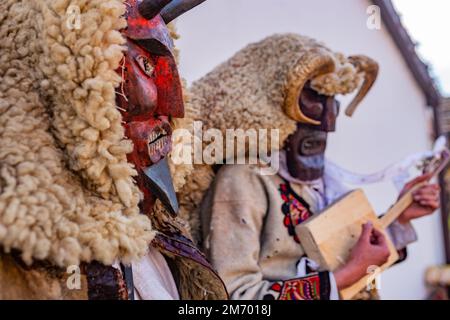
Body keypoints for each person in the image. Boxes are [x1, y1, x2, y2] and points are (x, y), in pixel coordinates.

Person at [177, 34, 440, 300]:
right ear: (274, 101)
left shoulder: (321, 182)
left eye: (333, 103)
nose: (328, 122)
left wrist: (401, 214)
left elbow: (342, 254)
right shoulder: (244, 178)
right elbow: (235, 297)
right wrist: (347, 275)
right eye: (314, 98)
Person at [0, 0, 226, 300]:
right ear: (70, 80)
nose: (174, 105)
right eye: (146, 65)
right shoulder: (25, 270)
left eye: (173, 69)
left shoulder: (162, 233)